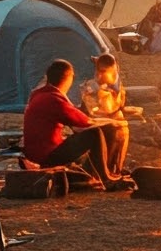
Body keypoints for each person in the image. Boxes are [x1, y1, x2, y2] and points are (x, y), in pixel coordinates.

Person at [21, 59, 130, 189]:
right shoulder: (54, 99)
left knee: (83, 138)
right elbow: (85, 122)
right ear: (68, 79)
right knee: (94, 134)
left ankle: (100, 173)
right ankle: (106, 179)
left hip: (35, 152)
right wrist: (113, 121)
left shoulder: (39, 94)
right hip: (46, 156)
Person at [80, 52, 131, 177]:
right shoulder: (91, 86)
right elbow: (91, 110)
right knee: (113, 131)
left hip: (111, 118)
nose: (106, 74)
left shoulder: (114, 83)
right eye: (103, 71)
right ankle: (103, 170)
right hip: (95, 121)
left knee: (123, 129)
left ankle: (116, 168)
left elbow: (119, 104)